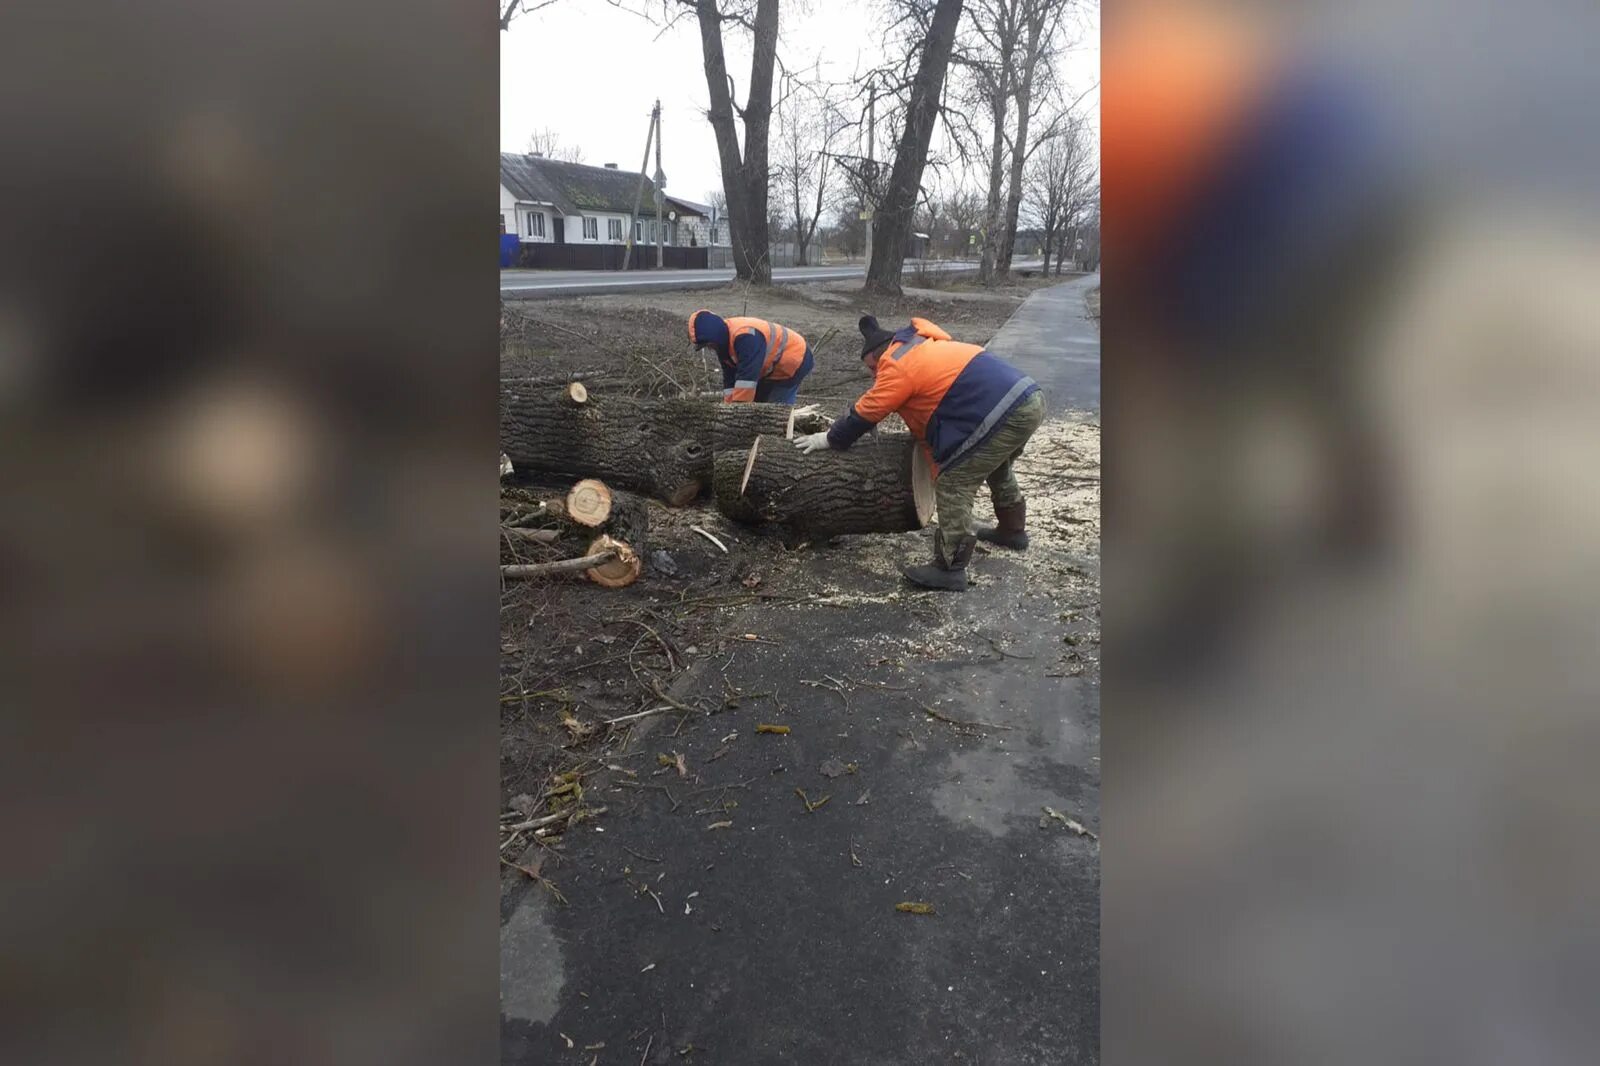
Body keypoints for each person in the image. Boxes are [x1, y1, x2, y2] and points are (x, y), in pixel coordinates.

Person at [794, 315, 1044, 591]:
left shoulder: (898, 365)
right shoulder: (922, 348)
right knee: (995, 465)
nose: (873, 375)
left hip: (1003, 409)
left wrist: (830, 438)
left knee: (955, 481)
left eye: (871, 368)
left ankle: (949, 568)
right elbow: (926, 428)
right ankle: (1012, 530)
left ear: (879, 355)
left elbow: (868, 411)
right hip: (1027, 398)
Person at [687, 310, 813, 404]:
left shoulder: (745, 337)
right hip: (769, 368)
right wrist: (728, 408)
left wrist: (739, 411)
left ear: (715, 338)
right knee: (757, 403)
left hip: (796, 358)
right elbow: (730, 379)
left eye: (709, 345)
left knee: (776, 408)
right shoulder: (723, 344)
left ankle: (782, 435)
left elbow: (747, 379)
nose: (709, 349)